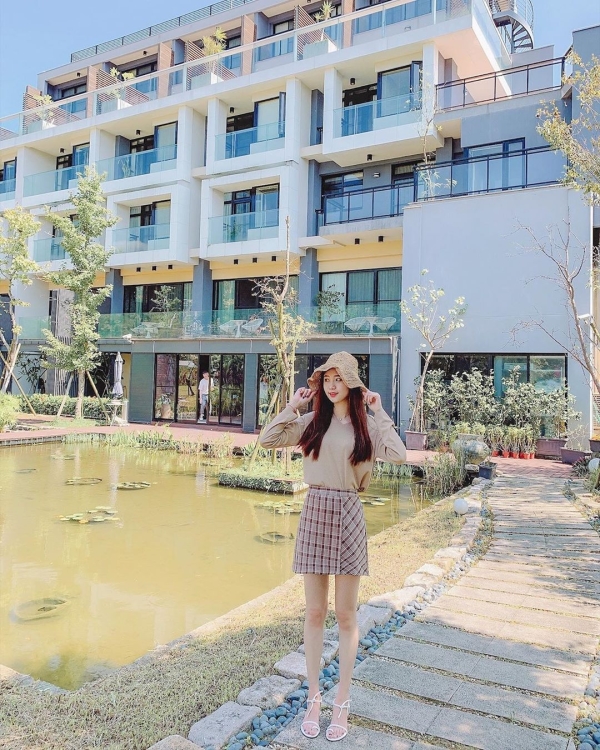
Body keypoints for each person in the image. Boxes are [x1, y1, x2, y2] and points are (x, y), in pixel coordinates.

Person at [260, 352, 406, 742]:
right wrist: (292, 407)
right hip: (315, 511)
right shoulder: (312, 422)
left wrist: (379, 411)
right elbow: (267, 439)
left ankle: (342, 700)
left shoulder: (366, 426)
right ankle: (314, 698)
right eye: (327, 378)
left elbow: (399, 454)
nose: (331, 385)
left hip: (349, 511)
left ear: (352, 383)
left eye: (339, 378)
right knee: (314, 611)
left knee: (344, 614)